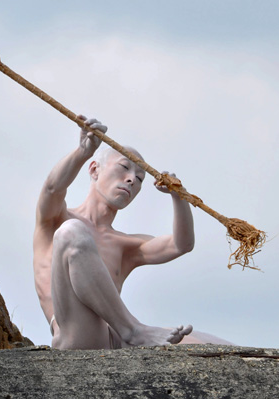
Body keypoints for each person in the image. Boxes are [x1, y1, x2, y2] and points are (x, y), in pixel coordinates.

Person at [33, 116, 195, 349]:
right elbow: (52, 188)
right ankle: (132, 329)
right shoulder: (55, 220)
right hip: (77, 334)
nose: (131, 179)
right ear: (94, 169)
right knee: (71, 232)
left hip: (112, 340)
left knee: (204, 340)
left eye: (139, 178)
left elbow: (182, 245)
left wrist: (179, 196)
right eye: (124, 167)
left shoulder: (125, 245)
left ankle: (131, 331)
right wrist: (83, 152)